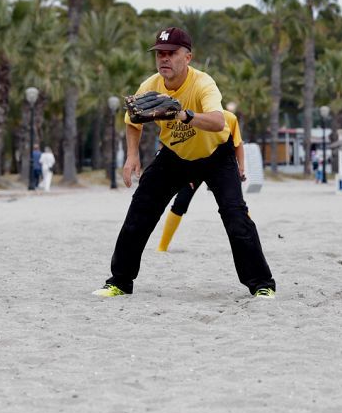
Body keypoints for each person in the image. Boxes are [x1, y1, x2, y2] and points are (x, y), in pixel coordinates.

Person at [93, 27, 276, 299]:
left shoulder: (203, 83)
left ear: (187, 57)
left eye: (171, 53)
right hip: (174, 156)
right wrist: (132, 155)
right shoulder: (150, 85)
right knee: (140, 211)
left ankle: (262, 284)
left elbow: (217, 121)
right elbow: (133, 121)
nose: (163, 59)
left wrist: (183, 115)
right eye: (160, 54)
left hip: (216, 155)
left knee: (236, 216)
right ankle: (119, 281)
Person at [156, 109, 246, 252]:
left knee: (236, 205)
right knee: (180, 203)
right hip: (193, 166)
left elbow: (238, 143)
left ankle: (248, 243)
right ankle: (162, 247)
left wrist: (241, 167)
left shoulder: (229, 117)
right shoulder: (191, 117)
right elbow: (180, 145)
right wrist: (186, 173)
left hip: (219, 168)